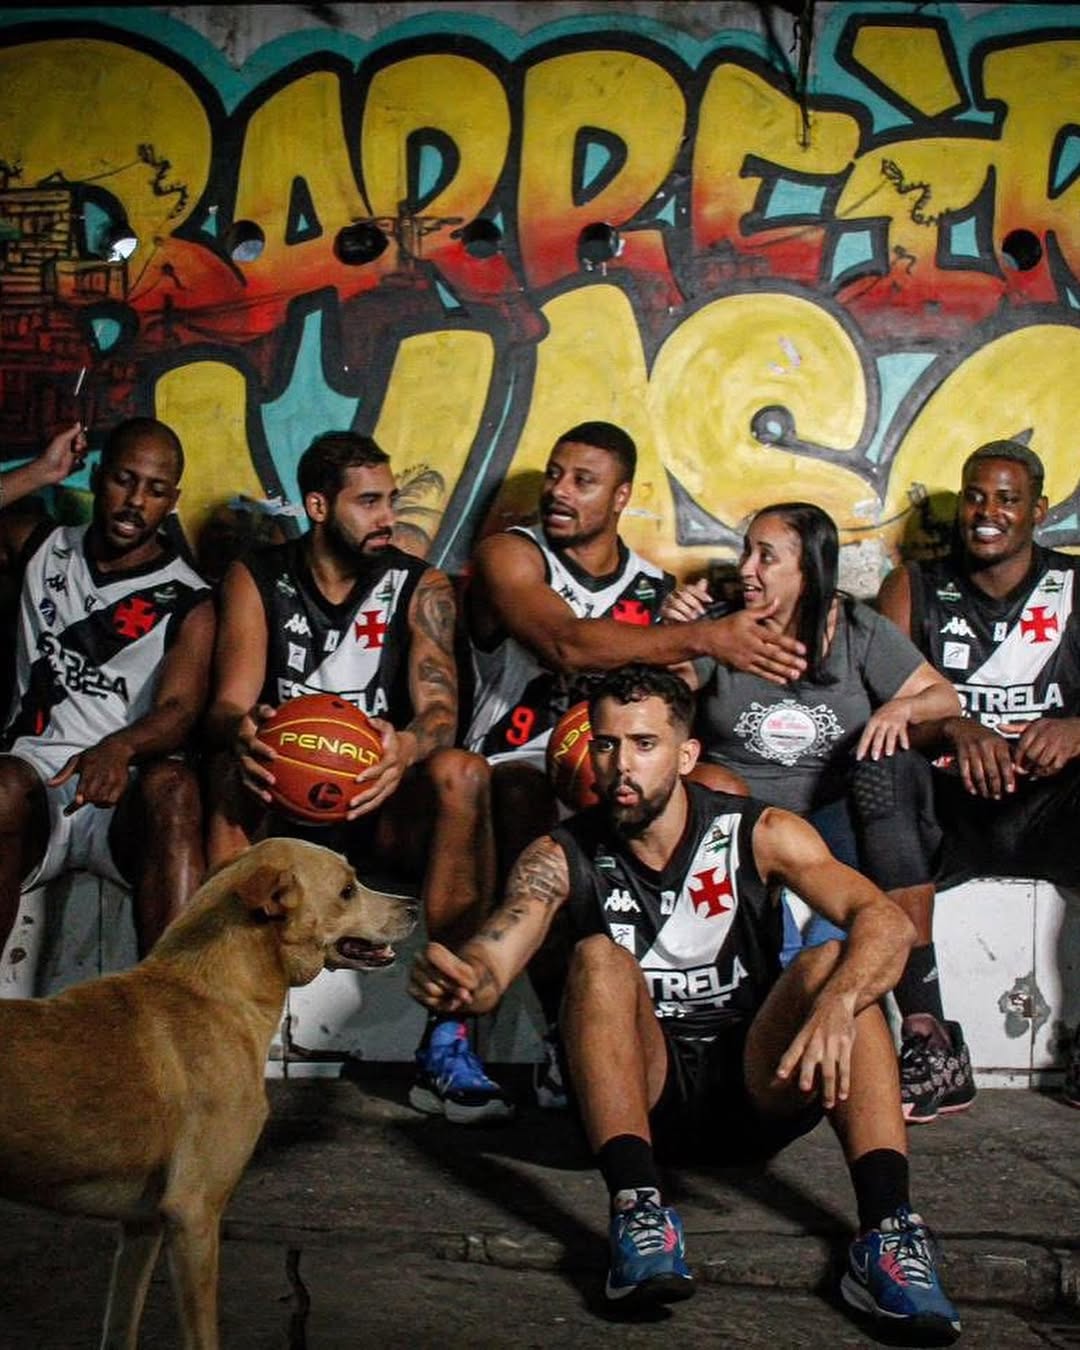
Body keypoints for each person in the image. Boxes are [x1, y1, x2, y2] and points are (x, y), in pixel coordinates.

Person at [410, 665, 961, 1342]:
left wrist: (839, 1003)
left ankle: (887, 1233)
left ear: (686, 754)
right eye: (607, 744)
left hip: (757, 1086)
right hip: (644, 1099)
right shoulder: (560, 854)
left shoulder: (761, 832)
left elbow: (887, 923)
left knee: (834, 965)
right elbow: (501, 948)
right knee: (598, 958)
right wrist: (468, 980)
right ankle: (638, 1212)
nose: (621, 766)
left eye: (644, 744)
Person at [465, 422, 806, 1101]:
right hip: (517, 762)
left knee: (720, 789)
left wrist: (691, 646)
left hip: (613, 768)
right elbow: (564, 643)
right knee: (525, 795)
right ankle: (562, 1033)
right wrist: (701, 636)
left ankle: (735, 1012)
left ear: (621, 497)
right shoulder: (511, 554)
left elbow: (666, 707)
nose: (559, 491)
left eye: (582, 481)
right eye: (555, 475)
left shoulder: (654, 590)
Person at [205, 430, 511, 1122]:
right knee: (225, 768)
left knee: (462, 772)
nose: (387, 518)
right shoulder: (258, 577)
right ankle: (216, 1031)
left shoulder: (420, 585)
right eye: (369, 502)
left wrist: (407, 746)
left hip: (379, 805)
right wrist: (243, 731)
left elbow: (440, 712)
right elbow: (227, 703)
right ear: (318, 506)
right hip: (284, 810)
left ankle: (449, 1037)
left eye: (391, 500)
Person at [662, 502, 960, 968]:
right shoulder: (725, 629)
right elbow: (662, 700)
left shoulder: (856, 629)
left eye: (766, 556)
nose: (746, 569)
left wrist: (902, 707)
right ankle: (773, 959)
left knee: (842, 926)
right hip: (743, 814)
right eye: (746, 553)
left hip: (829, 812)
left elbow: (945, 698)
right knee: (714, 799)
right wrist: (678, 635)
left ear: (808, 569)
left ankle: (829, 965)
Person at [877, 440, 1080, 1118]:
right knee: (879, 769)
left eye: (1007, 499)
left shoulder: (1074, 585)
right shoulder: (913, 587)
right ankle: (931, 1041)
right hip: (950, 810)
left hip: (1053, 809)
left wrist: (1077, 729)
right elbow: (879, 713)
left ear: (1038, 511)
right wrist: (954, 729)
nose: (987, 512)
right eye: (975, 496)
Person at [0, 417, 213, 959]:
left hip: (122, 798)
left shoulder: (189, 597)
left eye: (155, 490)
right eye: (124, 479)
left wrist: (120, 747)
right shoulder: (41, 546)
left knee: (176, 788)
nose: (135, 501)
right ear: (97, 477)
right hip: (35, 782)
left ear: (172, 502)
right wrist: (40, 473)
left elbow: (179, 709)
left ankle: (172, 1000)